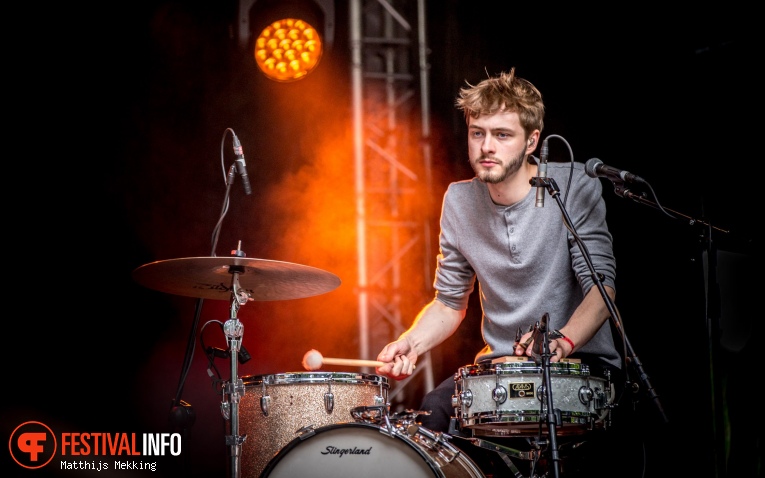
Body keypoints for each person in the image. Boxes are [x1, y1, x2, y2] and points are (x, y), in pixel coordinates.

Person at [374, 68, 634, 476]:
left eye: (502, 134)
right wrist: (411, 342)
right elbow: (447, 302)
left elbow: (602, 289)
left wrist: (562, 342)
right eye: (477, 133)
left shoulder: (574, 185)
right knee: (430, 419)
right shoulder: (459, 201)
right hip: (501, 371)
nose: (486, 147)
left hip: (582, 364)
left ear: (532, 141)